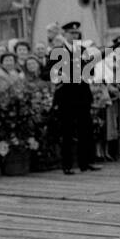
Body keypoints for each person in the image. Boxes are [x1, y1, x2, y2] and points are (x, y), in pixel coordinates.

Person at [45, 20, 99, 174]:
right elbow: (47, 71)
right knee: (67, 132)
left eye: (76, 33)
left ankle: (86, 162)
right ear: (64, 35)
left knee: (86, 130)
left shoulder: (83, 50)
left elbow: (92, 70)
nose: (74, 35)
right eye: (71, 33)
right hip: (66, 96)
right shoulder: (58, 51)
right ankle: (67, 165)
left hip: (82, 95)